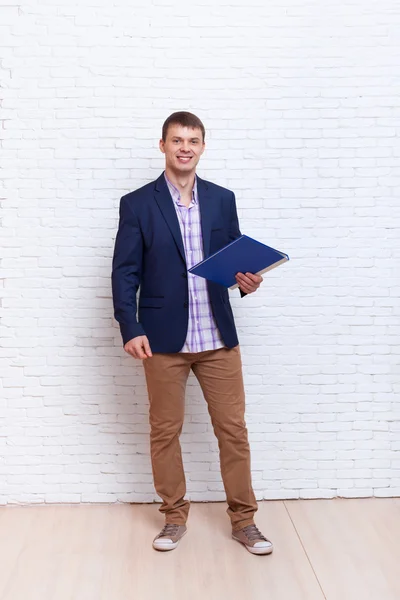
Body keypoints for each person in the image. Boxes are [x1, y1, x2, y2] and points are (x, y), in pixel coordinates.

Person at [111, 111, 273, 556]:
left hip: (217, 336)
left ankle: (245, 522)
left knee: (233, 431)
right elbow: (125, 271)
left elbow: (235, 260)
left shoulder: (222, 199)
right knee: (165, 432)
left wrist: (247, 280)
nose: (185, 147)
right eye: (177, 139)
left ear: (203, 147)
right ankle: (174, 518)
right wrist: (131, 325)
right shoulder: (138, 203)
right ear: (162, 145)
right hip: (163, 340)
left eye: (194, 140)